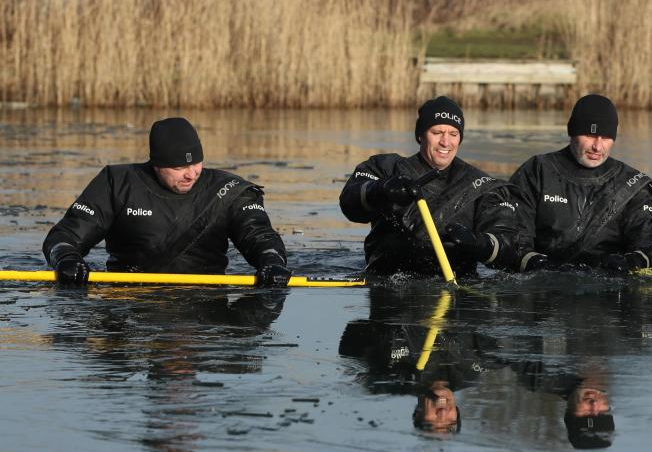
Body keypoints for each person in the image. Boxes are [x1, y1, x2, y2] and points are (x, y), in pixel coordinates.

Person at [42, 117, 291, 286]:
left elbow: (258, 234)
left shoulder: (229, 191)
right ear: (157, 163)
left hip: (206, 304)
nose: (191, 173)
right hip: (129, 301)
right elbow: (65, 236)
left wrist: (271, 261)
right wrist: (67, 259)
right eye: (180, 166)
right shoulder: (117, 183)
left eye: (196, 163)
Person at [339, 96, 518, 277]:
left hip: (456, 287)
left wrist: (479, 244)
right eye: (437, 133)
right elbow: (349, 205)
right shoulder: (385, 168)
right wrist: (380, 190)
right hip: (386, 280)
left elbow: (508, 248)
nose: (445, 142)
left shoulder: (481, 185)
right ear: (420, 135)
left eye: (453, 134)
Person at [510, 94, 652, 272]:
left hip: (607, 285)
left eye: (605, 137)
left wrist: (629, 262)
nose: (597, 146)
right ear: (571, 131)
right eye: (590, 135)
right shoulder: (537, 171)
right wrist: (538, 264)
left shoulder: (634, 185)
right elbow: (513, 238)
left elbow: (649, 246)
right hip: (545, 280)